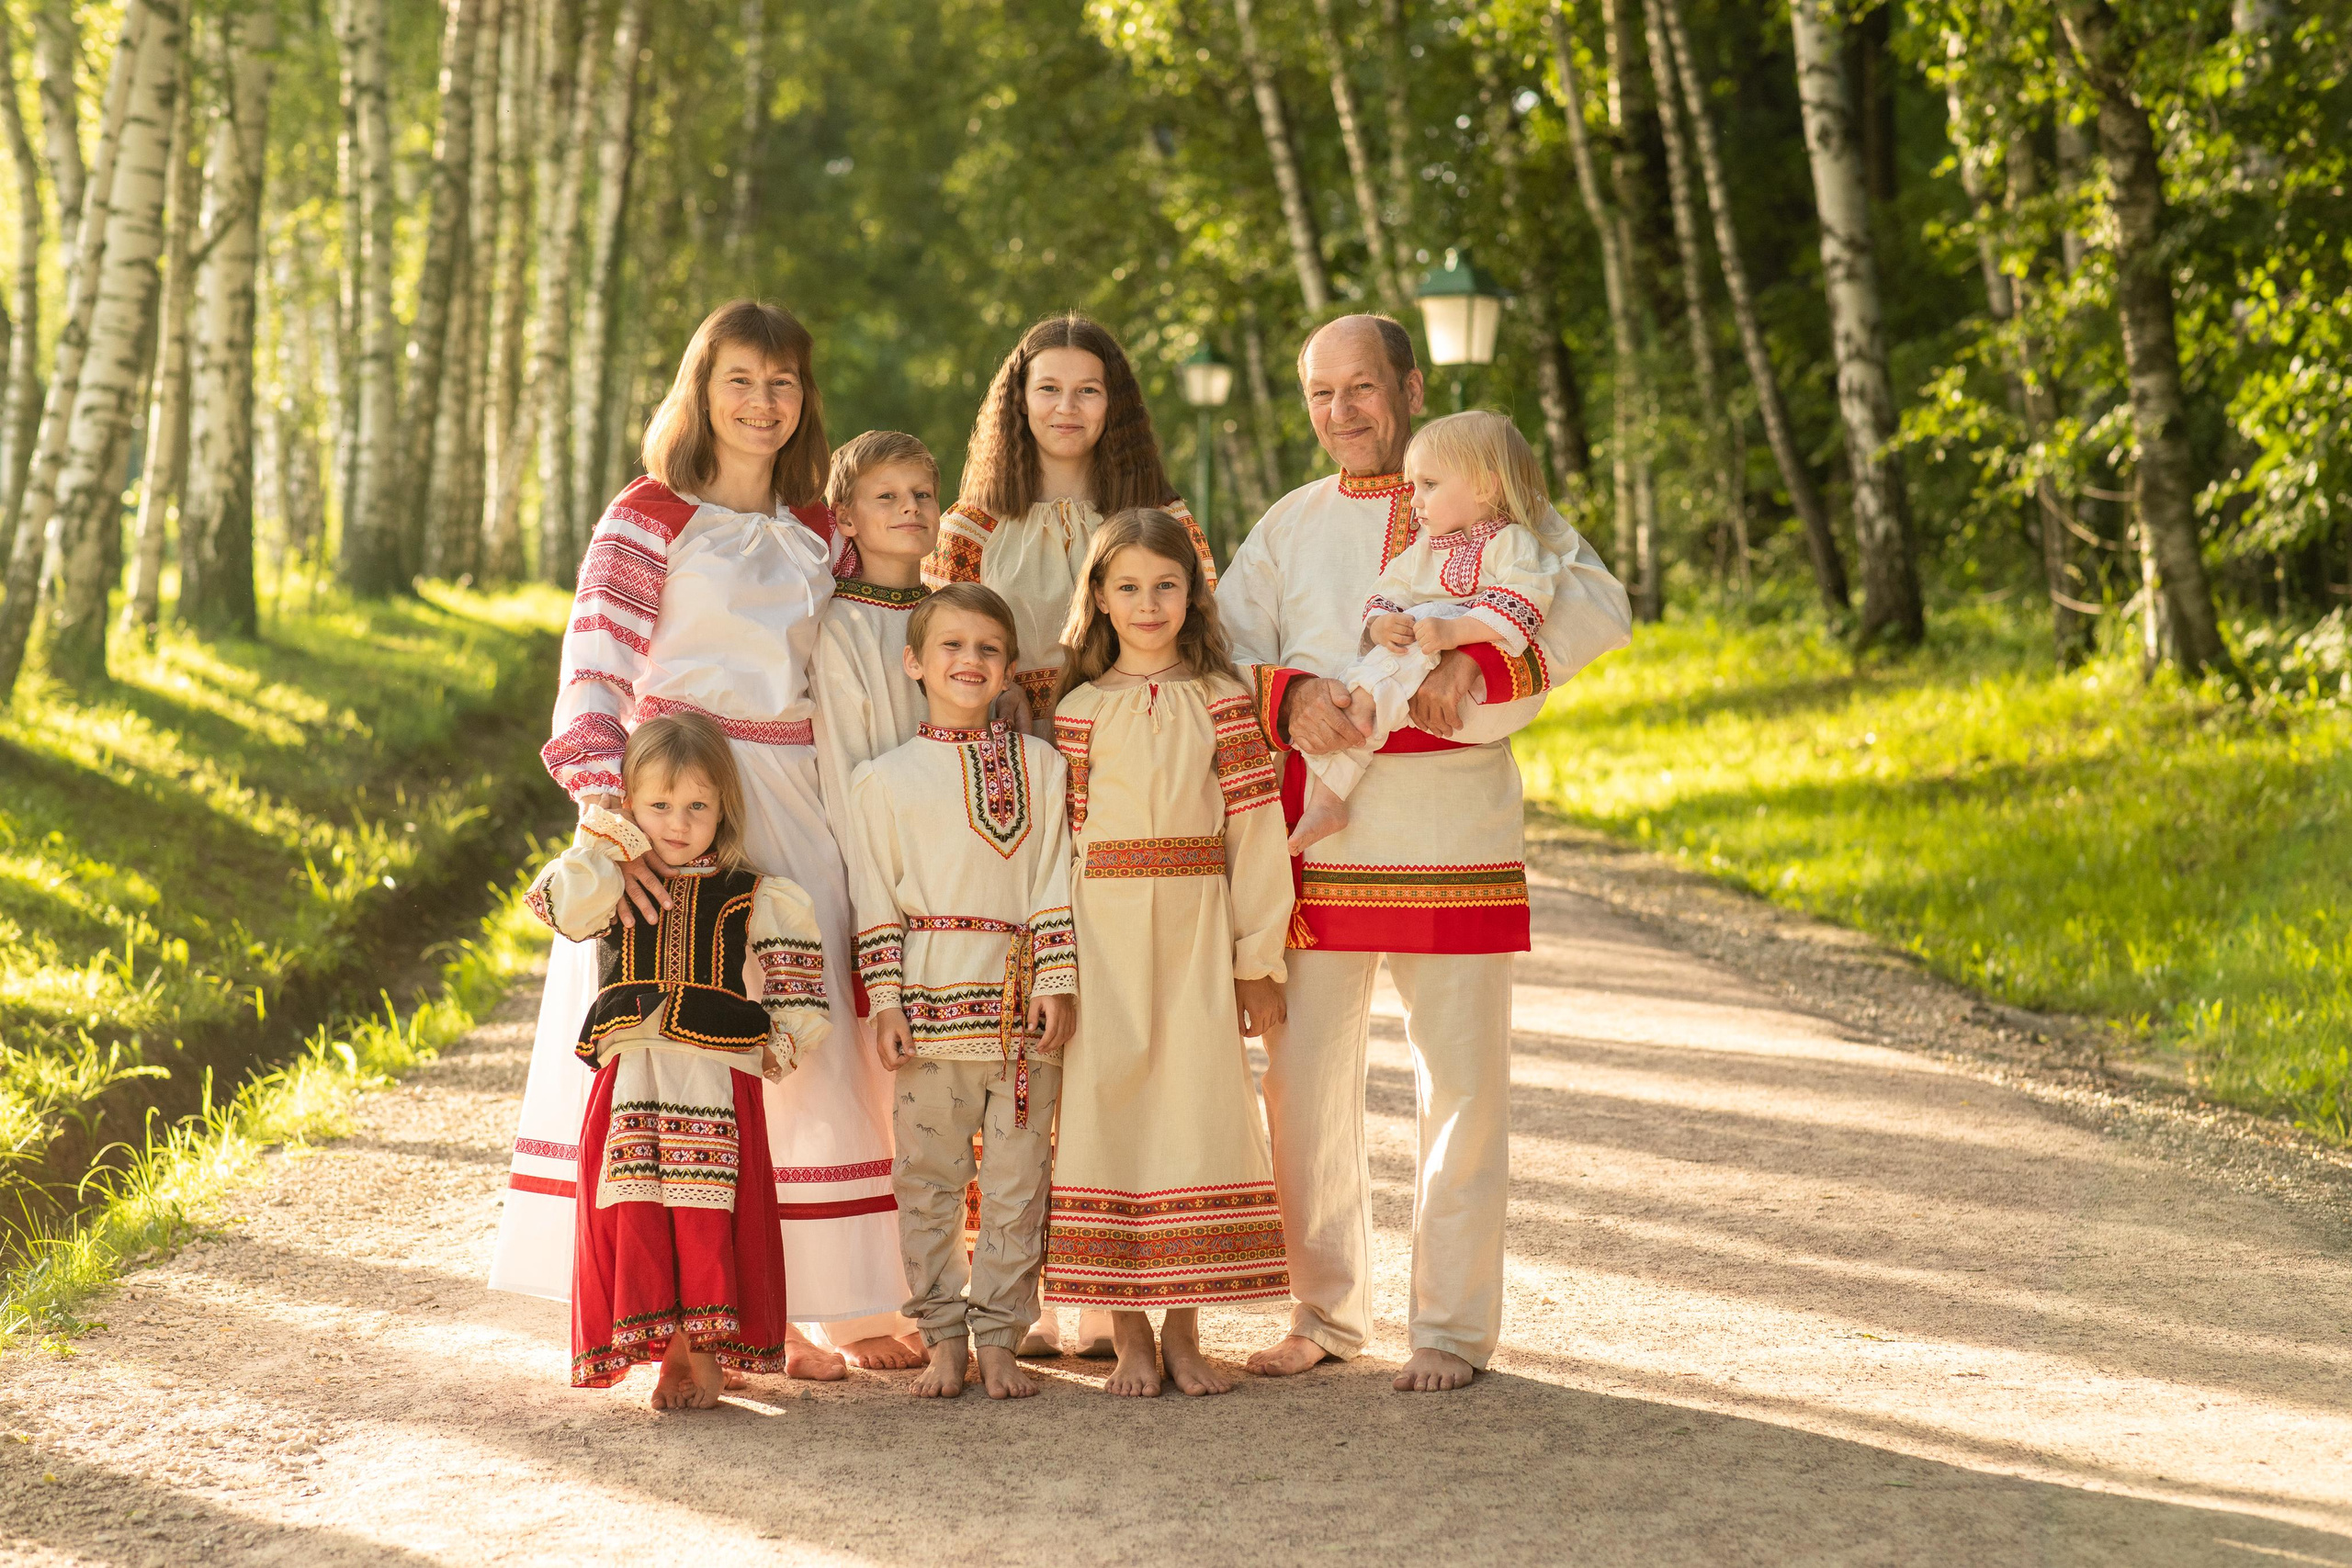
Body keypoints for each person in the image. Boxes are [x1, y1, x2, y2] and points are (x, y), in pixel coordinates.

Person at [490, 299, 912, 1379]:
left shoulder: (825, 529)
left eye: (782, 383)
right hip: (678, 802)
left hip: (797, 789)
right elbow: (592, 666)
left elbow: (863, 661)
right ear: (700, 387)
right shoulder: (648, 516)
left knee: (804, 1035)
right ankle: (687, 1304)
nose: (762, 403)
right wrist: (611, 811)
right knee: (677, 1049)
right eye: (739, 379)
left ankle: (825, 1301)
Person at [1216, 314, 1631, 1393]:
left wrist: (1487, 673)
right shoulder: (1289, 524)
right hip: (1324, 835)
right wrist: (1291, 697)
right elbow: (1226, 651)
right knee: (1302, 1083)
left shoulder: (1483, 496)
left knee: (1463, 1087)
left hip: (1452, 830)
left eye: (1361, 388)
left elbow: (1594, 603)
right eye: (1320, 394)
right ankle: (1323, 1310)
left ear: (1406, 385)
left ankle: (1447, 1327)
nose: (1342, 412)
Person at [1042, 510, 1293, 1398]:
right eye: (1128, 587)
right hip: (1100, 932)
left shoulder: (1222, 699)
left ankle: (1187, 1330)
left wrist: (1255, 957)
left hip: (1193, 927)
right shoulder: (1078, 711)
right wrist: (1054, 965)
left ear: (1193, 593)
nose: (1148, 604)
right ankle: (1128, 1336)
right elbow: (1053, 847)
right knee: (1108, 1114)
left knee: (1195, 1109)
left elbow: (1257, 829)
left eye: (1166, 585)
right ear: (1099, 601)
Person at [521, 713, 831, 1409]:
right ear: (629, 804)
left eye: (697, 805)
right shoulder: (609, 881)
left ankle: (701, 1354)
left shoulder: (748, 889)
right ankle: (668, 1356)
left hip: (711, 1075)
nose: (679, 821)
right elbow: (557, 907)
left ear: (724, 806)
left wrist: (777, 1046)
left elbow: (801, 983)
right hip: (632, 1075)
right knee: (641, 1208)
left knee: (705, 1210)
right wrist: (604, 838)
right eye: (658, 805)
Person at [845, 583, 1079, 1400]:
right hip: (930, 1008)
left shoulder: (1043, 767)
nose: (969, 660)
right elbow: (874, 895)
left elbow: (1055, 873)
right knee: (928, 1182)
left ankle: (1003, 1337)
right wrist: (885, 999)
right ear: (914, 662)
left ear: (1010, 668)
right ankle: (943, 1335)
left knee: (1019, 1185)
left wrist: (1056, 977)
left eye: (987, 648)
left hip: (1020, 1018)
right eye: (950, 645)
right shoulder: (881, 781)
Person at [924, 313, 1217, 728]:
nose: (1067, 407)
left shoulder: (1163, 519)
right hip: (1010, 750)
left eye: (1088, 390)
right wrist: (1003, 688)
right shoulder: (969, 528)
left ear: (1113, 403)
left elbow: (1205, 636)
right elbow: (937, 646)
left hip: (1139, 737)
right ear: (1020, 399)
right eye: (1048, 388)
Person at [1288, 411, 1561, 854]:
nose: (1415, 501)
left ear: (1484, 486)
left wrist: (1456, 632)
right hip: (1420, 669)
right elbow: (1389, 589)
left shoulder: (1512, 543)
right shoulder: (1427, 551)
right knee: (1371, 694)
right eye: (1415, 487)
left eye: (1429, 486)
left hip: (1477, 684)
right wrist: (1381, 626)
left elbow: (1527, 604)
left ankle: (1340, 759)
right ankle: (1328, 800)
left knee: (1368, 696)